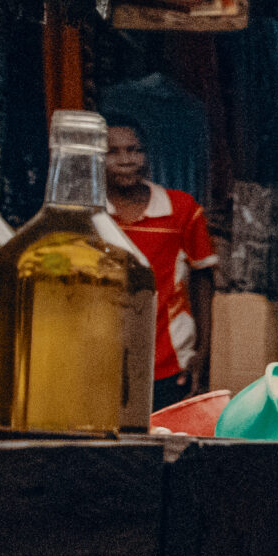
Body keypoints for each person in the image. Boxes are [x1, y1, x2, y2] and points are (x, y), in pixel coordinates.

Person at [103, 111, 216, 409]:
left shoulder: (182, 210)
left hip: (169, 362)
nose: (126, 159)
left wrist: (202, 353)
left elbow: (203, 280)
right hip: (101, 359)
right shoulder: (88, 215)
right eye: (111, 152)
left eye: (134, 150)